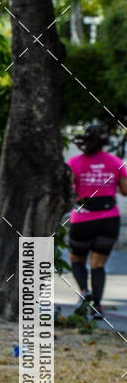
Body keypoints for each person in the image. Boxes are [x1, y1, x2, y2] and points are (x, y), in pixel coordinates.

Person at [67, 124, 127, 320]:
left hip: (82, 219)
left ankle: (85, 292)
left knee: (76, 259)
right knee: (98, 264)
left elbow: (69, 191)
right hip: (109, 220)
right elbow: (125, 190)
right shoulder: (116, 162)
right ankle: (98, 307)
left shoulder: (74, 162)